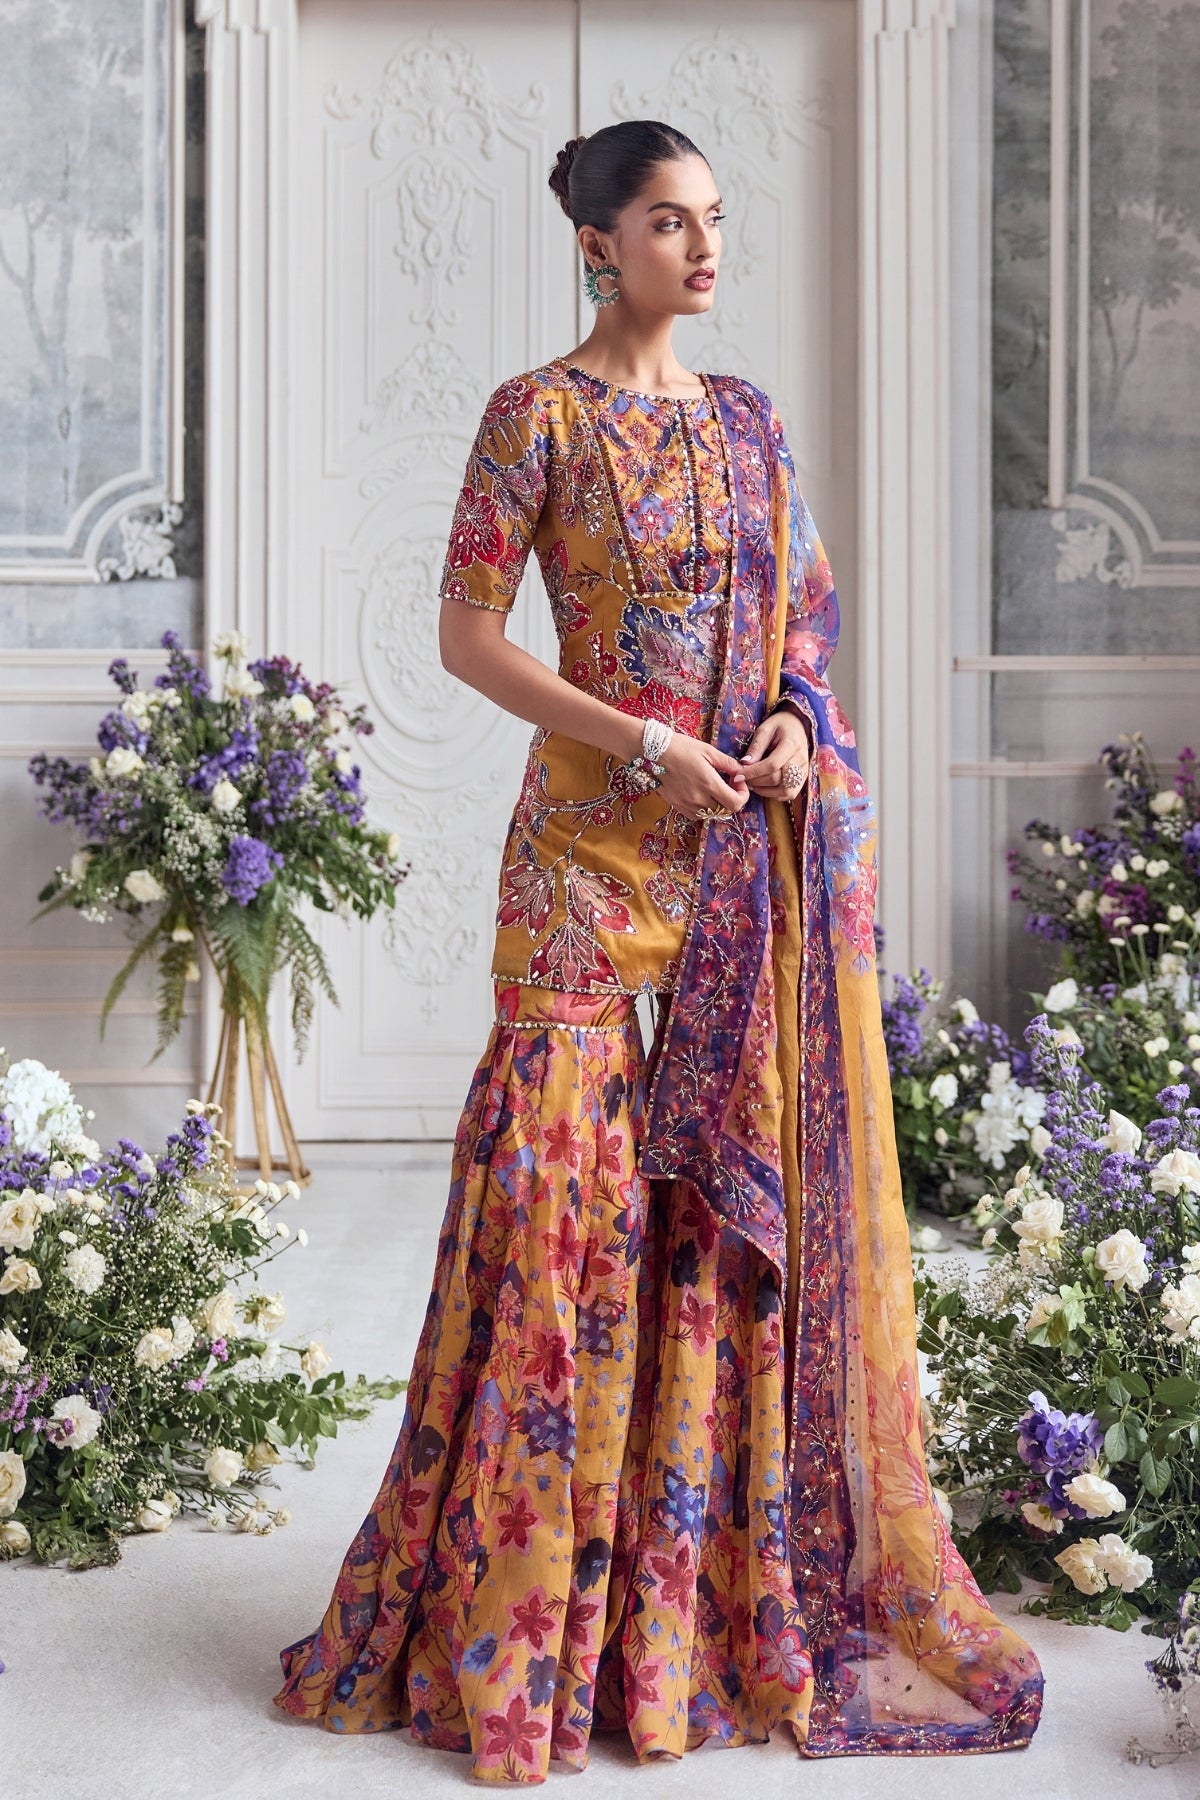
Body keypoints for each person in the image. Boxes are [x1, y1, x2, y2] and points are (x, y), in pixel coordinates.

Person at [273, 119, 1044, 1782]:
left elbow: (805, 620)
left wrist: (790, 724)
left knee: (703, 1234)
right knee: (558, 1226)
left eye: (713, 221)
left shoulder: (749, 422)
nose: (704, 249)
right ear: (597, 243)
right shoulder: (534, 417)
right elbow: (466, 636)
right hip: (580, 863)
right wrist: (639, 742)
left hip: (735, 873)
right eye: (671, 222)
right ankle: (521, 1643)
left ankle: (673, 1634)